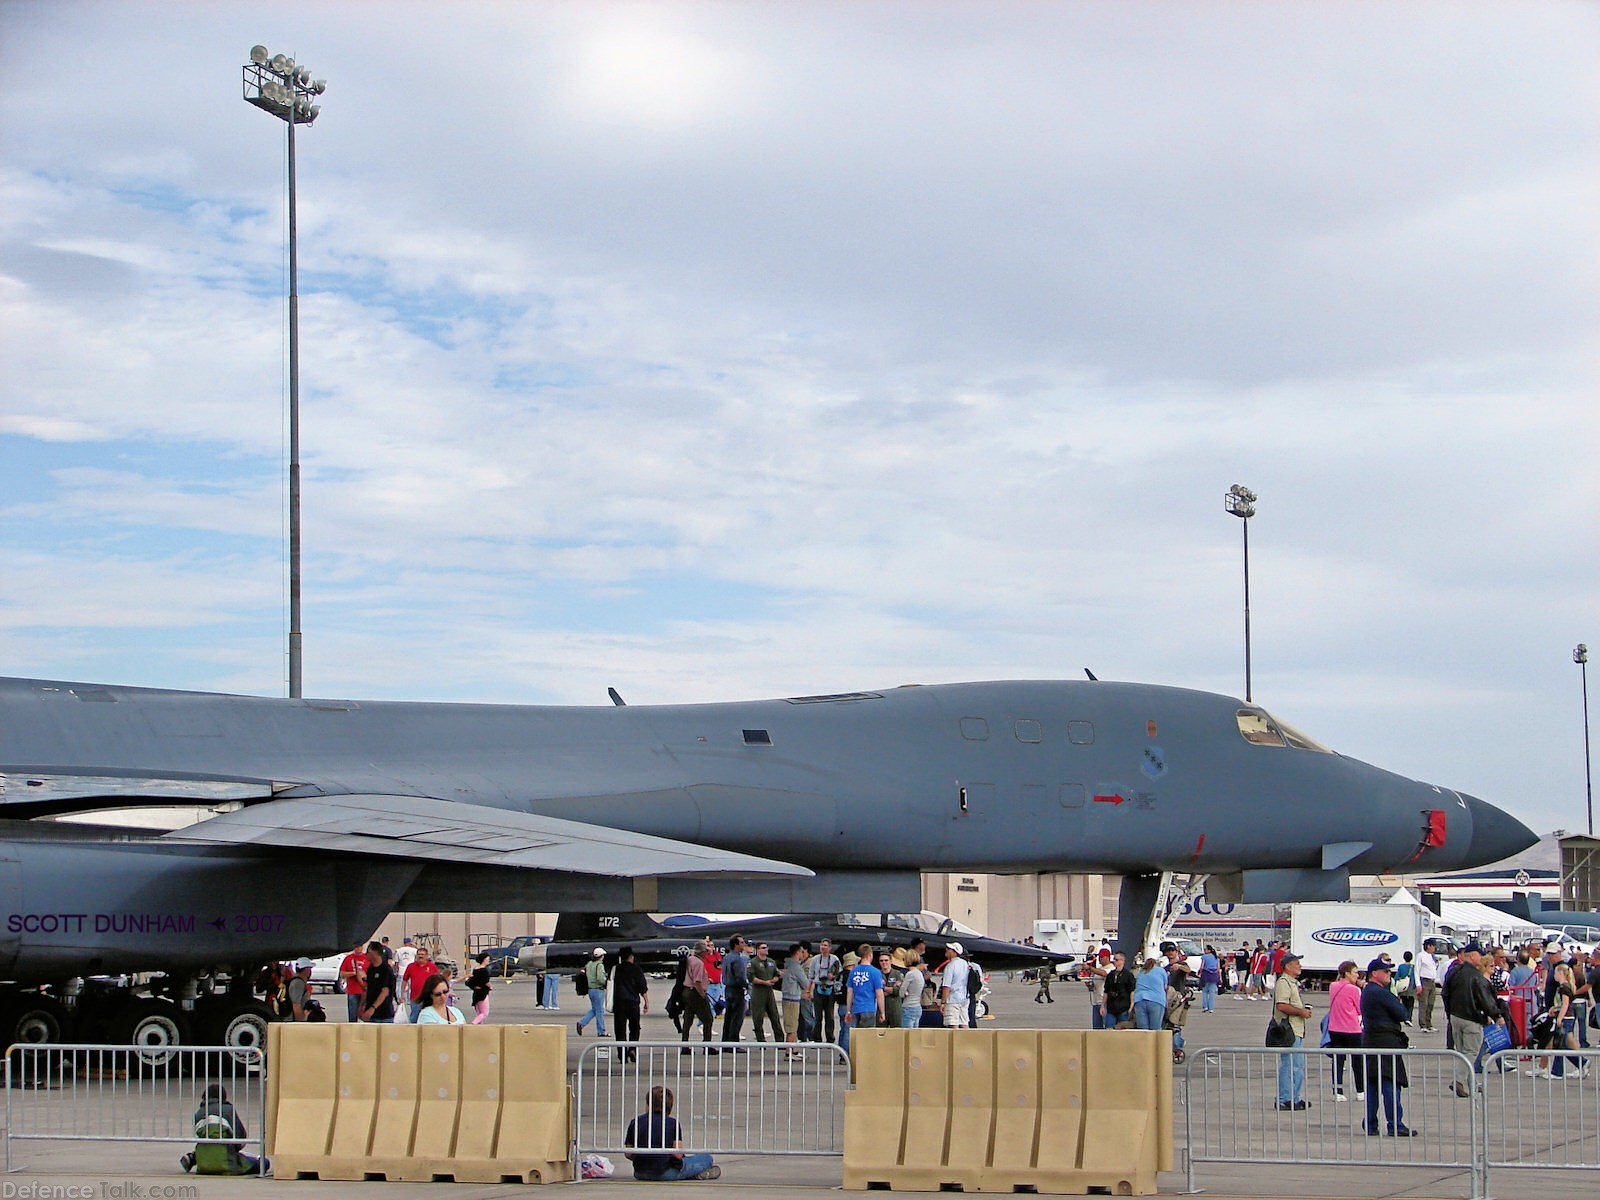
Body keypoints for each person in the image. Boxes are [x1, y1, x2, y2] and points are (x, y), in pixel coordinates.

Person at [1360, 957, 1415, 1136]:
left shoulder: (1368, 991)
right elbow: (1402, 1013)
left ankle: (1371, 1123)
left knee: (1373, 1085)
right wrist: (1397, 1001)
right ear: (1374, 974)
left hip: (1371, 1040)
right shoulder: (1380, 992)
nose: (1389, 974)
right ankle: (1395, 1124)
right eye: (1385, 971)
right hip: (1384, 1041)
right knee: (1390, 1084)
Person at [622, 1086, 719, 1181]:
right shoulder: (672, 1123)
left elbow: (628, 1153)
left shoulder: (635, 1122)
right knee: (706, 1158)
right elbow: (678, 1155)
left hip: (640, 1173)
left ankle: (692, 1174)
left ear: (648, 1104)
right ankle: (693, 1174)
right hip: (665, 1172)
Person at [1443, 942, 1502, 1093]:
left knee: (1463, 1052)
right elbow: (1485, 999)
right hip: (1472, 1019)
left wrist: (1450, 1012)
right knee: (1471, 1053)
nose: (1482, 958)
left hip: (1455, 1017)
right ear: (1473, 956)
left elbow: (1445, 993)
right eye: (1480, 955)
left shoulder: (1454, 972)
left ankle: (1473, 1084)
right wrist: (1496, 1015)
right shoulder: (1476, 976)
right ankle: (1458, 1080)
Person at [180, 1084, 266, 1176]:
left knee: (208, 1146)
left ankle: (194, 1157)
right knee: (264, 1163)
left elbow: (198, 1138)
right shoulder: (228, 1110)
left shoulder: (198, 1114)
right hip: (227, 1163)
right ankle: (259, 1159)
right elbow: (240, 1138)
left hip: (203, 1166)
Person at [1272, 953, 1313, 1110]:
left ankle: (1294, 1097)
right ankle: (1285, 1098)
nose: (1300, 966)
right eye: (1296, 963)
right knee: (1290, 1065)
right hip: (1289, 1030)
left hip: (1297, 1029)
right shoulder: (1284, 982)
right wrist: (1300, 1012)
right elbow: (1281, 1005)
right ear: (1288, 966)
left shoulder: (1292, 983)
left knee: (1297, 1065)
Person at [1325, 960, 1365, 1102]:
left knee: (1338, 1061)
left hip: (1335, 1028)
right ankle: (1360, 1090)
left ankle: (1338, 1091)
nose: (1357, 975)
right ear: (1347, 973)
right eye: (1355, 972)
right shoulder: (1354, 990)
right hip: (1352, 1029)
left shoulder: (1333, 986)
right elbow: (1360, 1009)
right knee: (1357, 1061)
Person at [612, 945, 649, 1061]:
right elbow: (642, 987)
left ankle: (622, 1055)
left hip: (619, 1002)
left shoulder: (616, 969)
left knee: (620, 1030)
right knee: (635, 1028)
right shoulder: (636, 969)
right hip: (633, 1002)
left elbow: (608, 983)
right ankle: (632, 1048)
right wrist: (646, 1002)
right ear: (631, 956)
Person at [680, 940, 718, 1052]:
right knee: (708, 1019)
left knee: (688, 1019)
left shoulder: (690, 959)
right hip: (695, 993)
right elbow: (697, 981)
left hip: (686, 991)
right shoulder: (699, 963)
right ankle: (707, 1045)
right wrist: (703, 994)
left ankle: (684, 1045)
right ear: (702, 952)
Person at [748, 942, 784, 1042]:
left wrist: (775, 979)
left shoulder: (771, 962)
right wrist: (764, 982)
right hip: (758, 992)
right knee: (758, 1017)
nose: (766, 949)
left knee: (774, 1016)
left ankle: (780, 1040)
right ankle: (761, 1040)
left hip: (769, 992)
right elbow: (751, 977)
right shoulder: (753, 962)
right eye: (763, 948)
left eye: (766, 947)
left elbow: (777, 974)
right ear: (758, 950)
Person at [845, 942, 885, 1031]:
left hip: (856, 1008)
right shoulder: (875, 972)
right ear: (870, 955)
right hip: (869, 1007)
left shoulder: (853, 972)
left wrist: (848, 1010)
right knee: (867, 1037)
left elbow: (849, 992)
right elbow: (879, 994)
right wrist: (882, 1011)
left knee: (857, 1036)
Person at [809, 939, 842, 1044]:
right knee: (817, 1016)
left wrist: (833, 976)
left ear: (830, 947)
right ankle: (816, 1037)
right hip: (818, 988)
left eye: (825, 945)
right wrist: (808, 990)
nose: (823, 947)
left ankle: (830, 1038)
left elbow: (839, 973)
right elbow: (811, 975)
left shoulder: (834, 959)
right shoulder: (815, 959)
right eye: (822, 945)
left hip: (830, 988)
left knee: (829, 1016)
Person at [781, 942, 813, 1049]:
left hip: (790, 998)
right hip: (792, 999)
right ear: (797, 952)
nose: (802, 954)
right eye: (801, 952)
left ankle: (794, 1050)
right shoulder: (796, 967)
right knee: (792, 1027)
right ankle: (789, 1051)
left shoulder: (789, 965)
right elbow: (805, 983)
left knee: (794, 1025)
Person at [719, 936, 748, 1045]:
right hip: (737, 989)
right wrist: (746, 985)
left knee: (728, 1017)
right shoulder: (738, 959)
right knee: (737, 1017)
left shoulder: (726, 957)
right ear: (736, 945)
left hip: (728, 989)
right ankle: (733, 1042)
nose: (743, 944)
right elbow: (739, 976)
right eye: (741, 942)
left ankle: (725, 1040)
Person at [360, 940, 396, 1023]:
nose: (366, 955)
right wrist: (362, 1006)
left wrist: (373, 1008)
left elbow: (385, 992)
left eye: (368, 952)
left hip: (384, 1015)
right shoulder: (370, 969)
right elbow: (367, 988)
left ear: (374, 953)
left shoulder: (386, 969)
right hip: (371, 1015)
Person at [576, 948, 609, 1038]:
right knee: (599, 1011)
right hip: (598, 990)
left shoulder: (589, 964)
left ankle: (582, 1023)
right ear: (601, 956)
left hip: (590, 990)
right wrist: (606, 982)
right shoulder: (599, 965)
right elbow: (600, 978)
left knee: (594, 1009)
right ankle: (601, 1031)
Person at [937, 941, 970, 1028]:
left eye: (948, 949)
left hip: (952, 999)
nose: (946, 950)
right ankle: (967, 1041)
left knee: (953, 1024)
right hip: (964, 997)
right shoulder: (965, 964)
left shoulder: (950, 965)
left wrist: (943, 1002)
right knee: (964, 1022)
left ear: (954, 952)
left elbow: (946, 986)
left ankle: (955, 1041)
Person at [338, 941, 369, 1023]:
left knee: (365, 1015)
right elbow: (342, 974)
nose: (358, 948)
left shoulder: (367, 958)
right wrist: (354, 973)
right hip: (353, 991)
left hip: (365, 991)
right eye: (356, 946)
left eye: (360, 946)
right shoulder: (348, 958)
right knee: (352, 1016)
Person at [1132, 958, 1167, 1031]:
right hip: (1156, 1000)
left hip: (1139, 1000)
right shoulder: (1161, 971)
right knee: (1155, 1030)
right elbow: (1165, 986)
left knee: (1143, 1032)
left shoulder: (1141, 972)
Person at [1102, 952, 1135, 1029]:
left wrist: (1131, 1005)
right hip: (1111, 1007)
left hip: (1123, 1006)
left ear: (1122, 961)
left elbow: (1132, 991)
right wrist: (1102, 1006)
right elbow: (1106, 991)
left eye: (1116, 960)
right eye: (1114, 959)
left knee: (1123, 1029)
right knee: (1109, 1028)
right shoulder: (1110, 975)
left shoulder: (1128, 975)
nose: (1114, 961)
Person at [402, 947, 435, 1023]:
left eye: (422, 954)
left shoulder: (432, 967)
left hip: (428, 998)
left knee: (428, 1018)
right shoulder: (411, 966)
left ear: (426, 956)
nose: (420, 956)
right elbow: (404, 980)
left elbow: (437, 981)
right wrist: (402, 993)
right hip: (415, 998)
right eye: (419, 954)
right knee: (414, 1018)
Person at [1415, 939, 1440, 1032]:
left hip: (1432, 981)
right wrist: (1418, 984)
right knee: (1423, 1004)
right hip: (1424, 981)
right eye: (1433, 946)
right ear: (1429, 946)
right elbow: (1417, 970)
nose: (1434, 948)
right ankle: (1423, 1025)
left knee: (1430, 1003)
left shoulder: (1433, 957)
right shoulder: (1421, 956)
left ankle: (1429, 1023)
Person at [1084, 948, 1111, 1028]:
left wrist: (1090, 968)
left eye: (1102, 957)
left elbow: (1104, 974)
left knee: (1106, 1026)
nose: (1100, 959)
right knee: (1096, 1027)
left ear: (1107, 957)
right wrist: (1089, 984)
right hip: (1096, 1002)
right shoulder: (1098, 969)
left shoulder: (1111, 968)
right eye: (1099, 957)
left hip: (1105, 1002)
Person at [899, 951, 926, 1028]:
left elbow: (901, 993)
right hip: (917, 1006)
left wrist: (901, 985)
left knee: (907, 1034)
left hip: (908, 1006)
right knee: (914, 1035)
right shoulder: (919, 973)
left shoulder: (910, 974)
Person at [286, 957, 316, 1022]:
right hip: (293, 1021)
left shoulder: (299, 982)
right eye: (309, 968)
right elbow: (296, 1005)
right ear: (306, 969)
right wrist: (301, 1021)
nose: (310, 971)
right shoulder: (298, 983)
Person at [467, 953, 493, 1024]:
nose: (488, 961)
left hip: (476, 992)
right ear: (484, 960)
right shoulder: (484, 970)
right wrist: (490, 987)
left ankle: (479, 1027)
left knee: (479, 1012)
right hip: (483, 993)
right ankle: (473, 1023)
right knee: (484, 1013)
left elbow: (472, 980)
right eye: (487, 959)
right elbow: (486, 981)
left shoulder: (475, 969)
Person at [1198, 946, 1221, 1013]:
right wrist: (1220, 978)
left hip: (1206, 975)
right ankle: (1211, 1008)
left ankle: (1205, 1006)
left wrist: (1200, 973)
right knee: (1212, 992)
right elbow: (1218, 968)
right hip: (1214, 976)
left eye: (1205, 949)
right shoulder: (1216, 957)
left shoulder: (1204, 957)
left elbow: (1202, 966)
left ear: (1209, 950)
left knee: (1205, 991)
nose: (1205, 950)